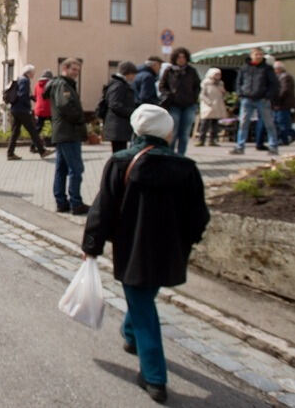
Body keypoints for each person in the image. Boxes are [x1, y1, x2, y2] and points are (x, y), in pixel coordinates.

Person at [82, 105, 210, 404]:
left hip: (134, 250)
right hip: (171, 252)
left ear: (137, 132)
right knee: (143, 298)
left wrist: (91, 247)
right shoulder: (187, 167)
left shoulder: (120, 162)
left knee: (143, 308)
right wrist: (188, 241)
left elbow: (102, 211)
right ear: (168, 131)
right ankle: (130, 335)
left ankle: (154, 378)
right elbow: (199, 217)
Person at [45, 58, 89, 214]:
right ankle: (75, 203)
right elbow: (65, 106)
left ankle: (62, 202)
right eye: (74, 69)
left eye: (78, 70)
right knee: (75, 169)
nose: (76, 73)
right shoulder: (63, 85)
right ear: (65, 68)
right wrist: (79, 118)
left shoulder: (62, 84)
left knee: (62, 169)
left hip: (64, 132)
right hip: (68, 132)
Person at [230, 47, 279, 155]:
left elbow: (274, 84)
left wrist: (267, 96)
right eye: (256, 54)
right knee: (243, 124)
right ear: (251, 55)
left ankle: (273, 147)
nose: (259, 56)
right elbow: (239, 82)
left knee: (269, 124)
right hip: (247, 99)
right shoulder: (244, 68)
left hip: (262, 99)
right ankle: (240, 147)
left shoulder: (267, 68)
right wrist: (240, 93)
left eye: (261, 54)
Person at [158, 47, 201, 156]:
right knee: (173, 131)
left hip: (189, 105)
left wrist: (193, 97)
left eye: (183, 57)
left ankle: (181, 155)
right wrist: (168, 95)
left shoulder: (191, 71)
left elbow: (197, 86)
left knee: (185, 132)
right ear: (175, 58)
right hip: (174, 105)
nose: (181, 59)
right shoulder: (169, 71)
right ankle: (170, 154)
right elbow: (162, 86)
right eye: (179, 57)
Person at [7, 65, 51, 160]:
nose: (33, 74)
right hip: (22, 110)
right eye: (33, 73)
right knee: (33, 130)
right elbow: (22, 95)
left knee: (15, 132)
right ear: (28, 72)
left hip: (15, 109)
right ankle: (42, 151)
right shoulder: (25, 80)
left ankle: (10, 153)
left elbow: (21, 94)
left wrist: (31, 97)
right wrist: (28, 107)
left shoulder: (19, 79)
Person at [103, 61, 138, 153]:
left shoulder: (119, 84)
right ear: (128, 73)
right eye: (133, 74)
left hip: (119, 126)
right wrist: (132, 112)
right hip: (118, 127)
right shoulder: (119, 85)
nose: (134, 77)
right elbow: (114, 104)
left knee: (120, 152)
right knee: (119, 153)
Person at [196, 68, 226, 146]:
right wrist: (209, 102)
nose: (218, 76)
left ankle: (212, 140)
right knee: (205, 124)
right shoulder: (206, 82)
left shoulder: (220, 83)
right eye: (216, 74)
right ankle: (201, 140)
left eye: (219, 74)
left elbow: (222, 94)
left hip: (217, 105)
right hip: (208, 105)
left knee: (215, 124)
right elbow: (202, 94)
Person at [30, 70, 53, 152]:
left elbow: (36, 97)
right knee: (56, 127)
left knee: (38, 129)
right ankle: (60, 145)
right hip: (50, 109)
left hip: (39, 109)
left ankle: (32, 146)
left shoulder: (37, 85)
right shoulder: (51, 84)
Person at [273, 61, 294, 145]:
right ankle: (285, 137)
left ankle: (284, 140)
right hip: (279, 104)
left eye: (275, 69)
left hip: (283, 104)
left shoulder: (285, 77)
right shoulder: (279, 76)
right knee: (281, 122)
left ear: (279, 69)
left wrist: (277, 99)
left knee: (283, 122)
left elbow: (284, 90)